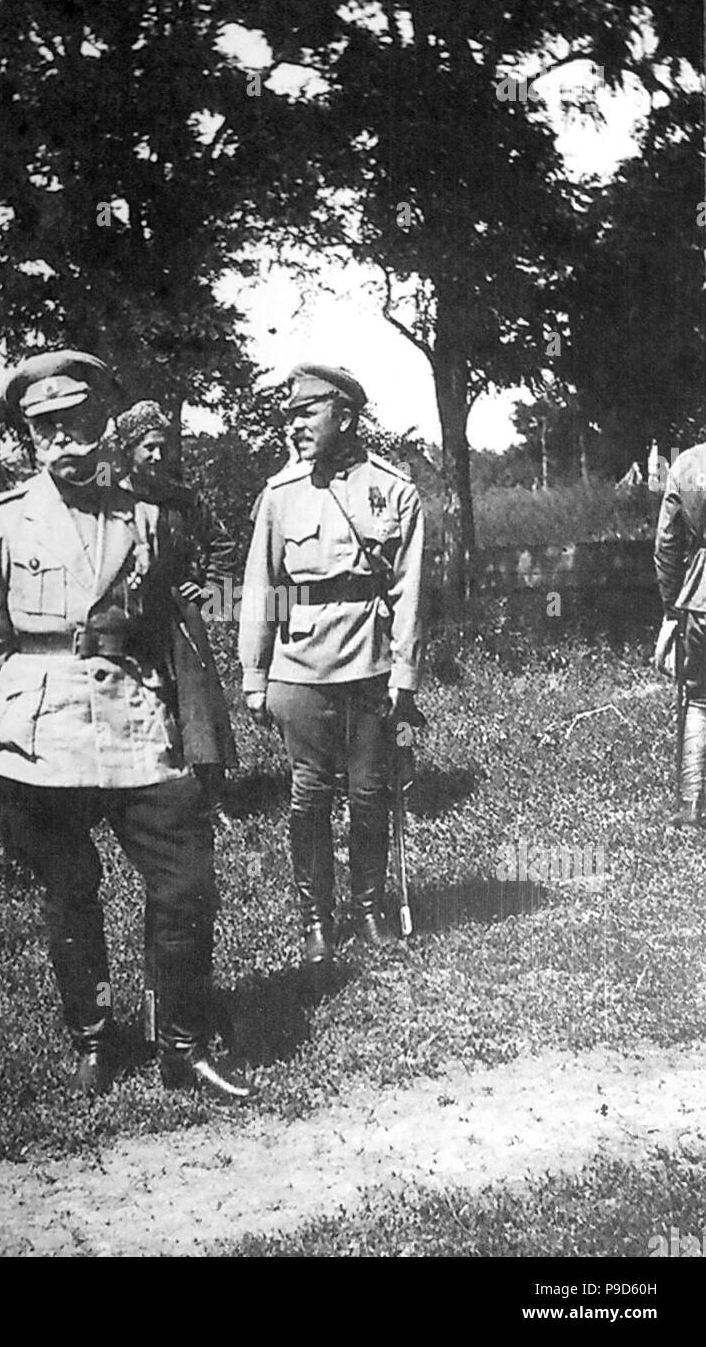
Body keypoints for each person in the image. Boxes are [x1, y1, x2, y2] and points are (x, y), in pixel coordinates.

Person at [0, 351, 250, 1100]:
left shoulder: (148, 511)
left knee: (185, 882)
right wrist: (44, 682)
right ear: (30, 438)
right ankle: (92, 1039)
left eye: (77, 425)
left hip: (135, 715)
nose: (64, 442)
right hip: (43, 728)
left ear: (102, 426)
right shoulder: (2, 520)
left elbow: (170, 620)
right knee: (68, 886)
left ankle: (182, 1045)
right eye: (45, 429)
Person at [239, 363, 426, 966]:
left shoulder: (395, 491)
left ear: (344, 417)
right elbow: (261, 589)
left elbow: (411, 593)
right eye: (290, 415)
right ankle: (316, 921)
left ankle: (370, 909)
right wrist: (252, 674)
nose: (294, 426)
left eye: (306, 413)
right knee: (309, 797)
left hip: (370, 667)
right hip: (299, 670)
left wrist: (405, 674)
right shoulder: (280, 494)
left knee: (371, 792)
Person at [116, 399, 238, 811]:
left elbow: (222, 544)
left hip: (180, 612)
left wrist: (207, 591)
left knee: (196, 699)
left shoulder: (184, 499)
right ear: (128, 450)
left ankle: (211, 797)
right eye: (147, 446)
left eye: (162, 445)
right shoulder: (111, 503)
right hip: (131, 615)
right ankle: (141, 798)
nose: (157, 455)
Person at [654, 440, 706, 825]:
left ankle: (691, 803)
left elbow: (668, 542)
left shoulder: (689, 462)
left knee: (701, 698)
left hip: (702, 598)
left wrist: (673, 605)